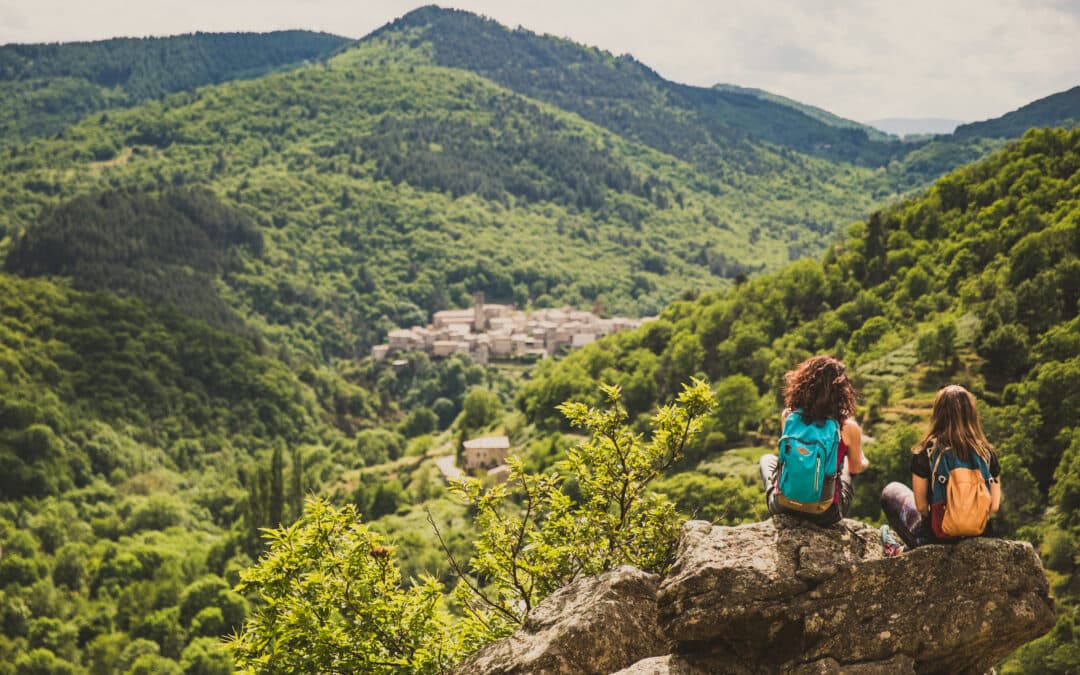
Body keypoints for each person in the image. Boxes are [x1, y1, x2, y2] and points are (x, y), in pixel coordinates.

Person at [880, 384, 1001, 553]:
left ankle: (900, 549)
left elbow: (922, 507)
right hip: (977, 532)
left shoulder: (927, 451)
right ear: (971, 414)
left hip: (937, 535)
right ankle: (902, 549)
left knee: (891, 490)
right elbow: (994, 506)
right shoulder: (987, 454)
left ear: (938, 414)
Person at [759, 355, 868, 526]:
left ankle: (785, 495)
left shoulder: (788, 416)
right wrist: (864, 461)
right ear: (842, 391)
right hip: (824, 514)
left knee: (766, 459)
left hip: (783, 505)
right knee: (847, 463)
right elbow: (856, 467)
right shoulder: (847, 427)